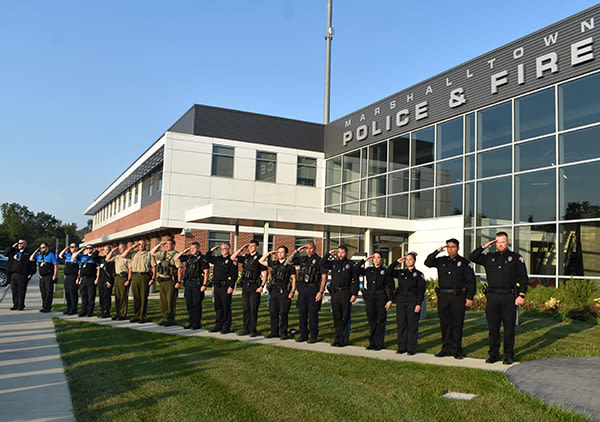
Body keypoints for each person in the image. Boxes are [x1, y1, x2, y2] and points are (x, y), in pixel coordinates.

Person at [469, 232, 529, 365]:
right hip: (493, 297)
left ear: (508, 242)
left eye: (503, 242)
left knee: (509, 328)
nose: (501, 244)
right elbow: (472, 256)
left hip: (509, 297)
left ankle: (508, 355)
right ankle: (493, 354)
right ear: (494, 243)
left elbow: (523, 277)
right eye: (498, 242)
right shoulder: (489, 257)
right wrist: (484, 246)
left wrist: (521, 295)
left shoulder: (515, 258)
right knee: (493, 328)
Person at [424, 238, 476, 359]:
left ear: (458, 248)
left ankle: (457, 350)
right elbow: (428, 262)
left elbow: (471, 281)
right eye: (448, 247)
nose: (450, 249)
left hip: (458, 297)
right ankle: (446, 348)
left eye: (452, 247)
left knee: (457, 324)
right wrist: (437, 251)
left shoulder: (464, 262)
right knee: (445, 324)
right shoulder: (441, 261)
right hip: (443, 297)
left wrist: (470, 298)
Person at [286, 241, 326, 343]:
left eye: (311, 248)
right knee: (302, 313)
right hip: (303, 289)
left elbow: (324, 277)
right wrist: (296, 251)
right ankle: (303, 334)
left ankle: (313, 336)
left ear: (315, 248)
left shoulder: (320, 261)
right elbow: (288, 261)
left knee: (313, 314)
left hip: (313, 289)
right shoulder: (302, 259)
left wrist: (320, 292)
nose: (309, 250)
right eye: (307, 248)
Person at [355, 252, 394, 350]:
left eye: (378, 258)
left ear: (381, 259)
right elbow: (355, 269)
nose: (376, 259)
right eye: (375, 258)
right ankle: (372, 343)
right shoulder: (368, 270)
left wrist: (390, 300)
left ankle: (379, 343)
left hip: (381, 297)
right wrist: (364, 260)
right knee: (371, 320)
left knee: (380, 320)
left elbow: (391, 286)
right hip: (370, 297)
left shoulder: (385, 271)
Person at [389, 253, 426, 355]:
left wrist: (419, 304)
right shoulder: (401, 272)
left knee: (412, 325)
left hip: (412, 301)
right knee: (401, 324)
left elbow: (421, 290)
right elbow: (388, 271)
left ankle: (411, 348)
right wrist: (397, 262)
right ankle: (401, 347)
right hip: (401, 301)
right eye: (407, 259)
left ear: (414, 261)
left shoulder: (418, 274)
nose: (408, 261)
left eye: (410, 259)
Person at [321, 245, 358, 347]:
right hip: (335, 293)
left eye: (342, 252)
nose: (340, 254)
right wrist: (328, 253)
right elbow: (322, 263)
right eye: (339, 252)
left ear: (346, 253)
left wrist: (354, 293)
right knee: (336, 317)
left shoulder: (350, 264)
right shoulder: (333, 263)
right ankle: (337, 338)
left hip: (346, 292)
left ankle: (344, 340)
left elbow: (355, 280)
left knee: (345, 317)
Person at [231, 239, 267, 337]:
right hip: (245, 286)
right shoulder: (246, 257)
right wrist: (242, 249)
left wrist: (262, 286)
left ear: (257, 247)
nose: (250, 248)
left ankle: (253, 330)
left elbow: (265, 273)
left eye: (252, 246)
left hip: (254, 286)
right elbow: (232, 257)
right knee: (246, 308)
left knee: (253, 309)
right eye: (249, 246)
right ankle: (246, 329)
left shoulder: (260, 258)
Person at [259, 246, 296, 340]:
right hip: (274, 291)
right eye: (278, 252)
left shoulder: (289, 265)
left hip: (284, 291)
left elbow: (294, 280)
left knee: (283, 313)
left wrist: (292, 292)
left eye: (282, 252)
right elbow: (261, 261)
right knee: (273, 312)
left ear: (286, 254)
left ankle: (283, 333)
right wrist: (268, 254)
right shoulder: (274, 263)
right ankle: (274, 332)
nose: (279, 254)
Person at [176, 242, 209, 329]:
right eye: (191, 248)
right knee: (189, 303)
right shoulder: (188, 257)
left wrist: (204, 284)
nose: (192, 250)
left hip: (197, 283)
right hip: (188, 283)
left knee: (196, 304)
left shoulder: (202, 258)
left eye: (194, 248)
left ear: (198, 248)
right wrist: (184, 251)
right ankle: (191, 322)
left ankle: (197, 323)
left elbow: (206, 272)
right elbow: (176, 258)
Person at [121, 240, 157, 323]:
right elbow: (123, 255)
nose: (141, 246)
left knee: (143, 297)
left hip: (145, 276)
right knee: (136, 297)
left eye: (143, 244)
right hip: (135, 276)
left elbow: (154, 267)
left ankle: (143, 316)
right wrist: (133, 247)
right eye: (139, 244)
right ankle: (136, 316)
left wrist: (153, 278)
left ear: (146, 245)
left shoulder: (148, 254)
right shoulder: (134, 254)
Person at [206, 242, 238, 334]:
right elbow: (206, 258)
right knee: (218, 307)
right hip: (217, 286)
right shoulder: (218, 259)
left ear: (229, 249)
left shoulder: (232, 260)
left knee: (226, 307)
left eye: (225, 248)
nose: (223, 250)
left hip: (225, 287)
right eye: (222, 249)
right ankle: (218, 325)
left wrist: (231, 287)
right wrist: (211, 250)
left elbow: (234, 275)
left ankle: (226, 326)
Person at [151, 239, 182, 326]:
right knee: (163, 301)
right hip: (162, 281)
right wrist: (160, 244)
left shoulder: (176, 255)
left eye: (169, 244)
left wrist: (178, 281)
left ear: (173, 245)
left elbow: (180, 269)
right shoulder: (163, 253)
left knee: (170, 301)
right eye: (166, 244)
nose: (167, 246)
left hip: (170, 281)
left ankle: (171, 319)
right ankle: (165, 318)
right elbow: (152, 252)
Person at [5, 240, 36, 310]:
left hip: (23, 274)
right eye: (18, 243)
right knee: (14, 290)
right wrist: (13, 246)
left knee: (21, 291)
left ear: (25, 244)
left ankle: (21, 305)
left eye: (21, 243)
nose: (19, 244)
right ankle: (15, 304)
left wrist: (31, 273)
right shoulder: (14, 252)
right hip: (13, 274)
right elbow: (6, 253)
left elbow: (32, 264)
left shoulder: (28, 253)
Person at [29, 242, 59, 312]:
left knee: (49, 292)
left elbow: (56, 265)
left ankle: (48, 307)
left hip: (49, 276)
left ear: (47, 248)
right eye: (40, 248)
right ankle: (44, 306)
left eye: (43, 247)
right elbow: (31, 259)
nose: (41, 249)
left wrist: (55, 275)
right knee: (43, 292)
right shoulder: (39, 255)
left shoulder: (51, 255)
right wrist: (35, 251)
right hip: (41, 277)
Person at [105, 242, 132, 320]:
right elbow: (107, 259)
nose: (120, 250)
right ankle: (118, 313)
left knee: (123, 296)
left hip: (123, 278)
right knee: (117, 296)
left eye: (121, 248)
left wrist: (129, 280)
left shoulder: (128, 258)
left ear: (125, 248)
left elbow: (130, 270)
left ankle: (123, 314)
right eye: (119, 248)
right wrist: (113, 251)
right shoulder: (117, 256)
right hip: (116, 277)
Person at [73, 245, 99, 317]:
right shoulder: (82, 256)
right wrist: (81, 250)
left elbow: (99, 268)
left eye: (90, 248)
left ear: (93, 249)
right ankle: (83, 311)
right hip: (83, 278)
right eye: (87, 248)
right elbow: (73, 256)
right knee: (83, 295)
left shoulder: (95, 258)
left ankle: (90, 312)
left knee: (91, 296)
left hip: (91, 278)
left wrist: (97, 279)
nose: (88, 249)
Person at [59, 243, 81, 315]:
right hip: (67, 277)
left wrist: (78, 278)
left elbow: (80, 269)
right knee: (67, 293)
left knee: (73, 293)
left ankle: (74, 309)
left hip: (73, 276)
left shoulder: (79, 257)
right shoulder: (67, 255)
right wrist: (66, 249)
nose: (73, 248)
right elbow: (60, 255)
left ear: (77, 248)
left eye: (75, 247)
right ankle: (69, 308)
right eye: (72, 247)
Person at [96, 245, 114, 318]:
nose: (106, 251)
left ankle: (107, 312)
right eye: (105, 250)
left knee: (107, 297)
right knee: (101, 297)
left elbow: (113, 272)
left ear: (110, 251)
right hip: (101, 280)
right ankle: (102, 311)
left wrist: (110, 281)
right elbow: (93, 257)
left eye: (107, 250)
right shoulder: (101, 259)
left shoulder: (112, 260)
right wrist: (99, 250)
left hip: (107, 281)